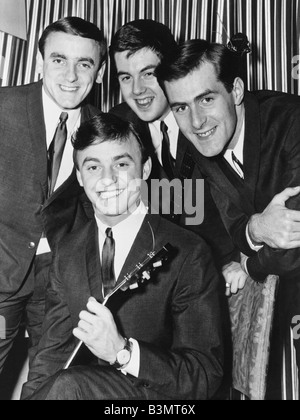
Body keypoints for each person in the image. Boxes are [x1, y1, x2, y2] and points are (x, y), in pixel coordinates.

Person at [21, 113, 224, 401]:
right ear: (79, 176)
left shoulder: (187, 251)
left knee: (69, 385)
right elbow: (51, 356)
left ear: (145, 169)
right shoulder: (68, 251)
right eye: (93, 167)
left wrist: (123, 352)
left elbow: (205, 375)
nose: (107, 179)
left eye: (121, 164)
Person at [156, 39, 300, 376]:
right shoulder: (202, 146)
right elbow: (234, 230)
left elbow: (293, 236)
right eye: (180, 107)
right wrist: (255, 229)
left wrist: (250, 266)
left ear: (235, 90)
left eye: (206, 99)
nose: (196, 121)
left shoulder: (292, 119)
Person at [0, 17, 107, 375]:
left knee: (53, 382)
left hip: (57, 286)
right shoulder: (4, 107)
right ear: (39, 61)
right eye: (59, 60)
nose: (71, 76)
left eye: (85, 64)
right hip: (1, 277)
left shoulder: (102, 131)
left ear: (99, 71)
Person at [109, 20, 237, 270]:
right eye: (126, 77)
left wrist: (239, 260)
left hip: (223, 270)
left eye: (148, 73)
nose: (137, 90)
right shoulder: (119, 127)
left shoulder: (211, 117)